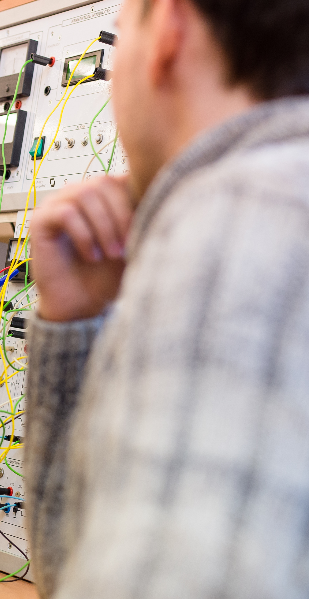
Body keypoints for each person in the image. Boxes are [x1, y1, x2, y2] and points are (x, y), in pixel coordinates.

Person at [26, 0, 309, 597]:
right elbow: (81, 573)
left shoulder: (233, 214)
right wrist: (76, 326)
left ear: (169, 34)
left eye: (121, 37)